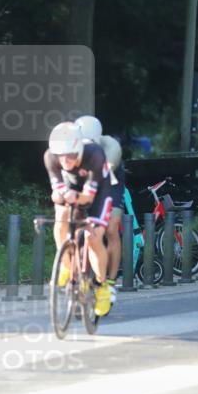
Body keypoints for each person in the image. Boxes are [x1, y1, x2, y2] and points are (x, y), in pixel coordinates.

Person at [44, 121, 114, 316]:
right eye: (61, 157)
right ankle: (66, 264)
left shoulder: (95, 155)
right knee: (61, 215)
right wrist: (61, 196)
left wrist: (72, 198)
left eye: (71, 156)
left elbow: (87, 198)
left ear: (79, 149)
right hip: (72, 186)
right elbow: (58, 192)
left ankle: (101, 286)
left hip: (100, 191)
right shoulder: (50, 157)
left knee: (93, 237)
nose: (65, 161)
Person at [75, 115, 123, 303]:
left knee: (111, 228)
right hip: (84, 178)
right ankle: (80, 274)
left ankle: (110, 281)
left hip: (110, 179)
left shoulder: (112, 147)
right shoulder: (73, 143)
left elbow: (104, 176)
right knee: (77, 226)